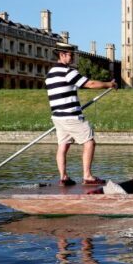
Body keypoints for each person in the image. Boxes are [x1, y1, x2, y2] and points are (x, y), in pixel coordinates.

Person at [46, 42, 117, 186]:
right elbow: (89, 84)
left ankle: (63, 177)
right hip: (71, 115)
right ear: (62, 55)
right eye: (70, 55)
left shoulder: (50, 74)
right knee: (89, 142)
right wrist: (109, 84)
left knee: (63, 146)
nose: (72, 58)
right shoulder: (68, 72)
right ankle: (87, 176)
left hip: (57, 117)